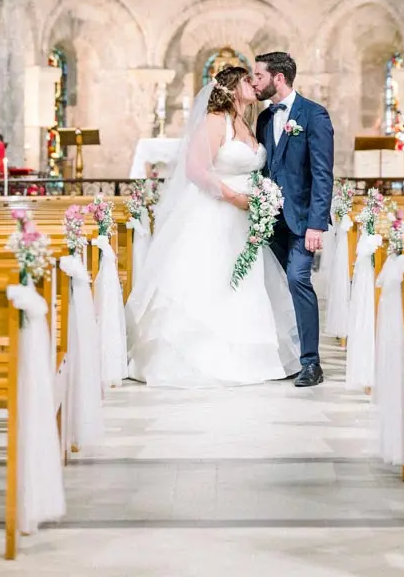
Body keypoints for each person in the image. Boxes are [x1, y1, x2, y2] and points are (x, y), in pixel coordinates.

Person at [126, 66, 300, 387]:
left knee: (244, 282)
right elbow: (196, 170)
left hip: (246, 217)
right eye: (248, 80)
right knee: (211, 276)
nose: (254, 85)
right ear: (232, 88)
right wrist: (235, 197)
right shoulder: (215, 120)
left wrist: (262, 196)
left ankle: (251, 358)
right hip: (215, 212)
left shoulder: (246, 123)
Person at [253, 52, 334, 388]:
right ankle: (279, 355)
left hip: (301, 220)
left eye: (258, 76)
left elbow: (322, 173)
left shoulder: (313, 115)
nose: (254, 82)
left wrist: (316, 224)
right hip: (269, 222)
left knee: (298, 280)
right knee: (269, 286)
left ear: (279, 78)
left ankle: (311, 363)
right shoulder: (262, 119)